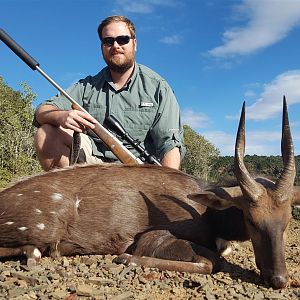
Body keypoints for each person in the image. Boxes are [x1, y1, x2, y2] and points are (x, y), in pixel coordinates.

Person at [33, 15, 185, 171]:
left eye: (123, 39)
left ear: (134, 43)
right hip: (92, 166)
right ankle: (70, 193)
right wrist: (61, 116)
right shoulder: (87, 86)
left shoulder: (159, 87)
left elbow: (170, 144)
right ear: (102, 47)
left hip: (141, 171)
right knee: (46, 132)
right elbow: (42, 111)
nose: (116, 46)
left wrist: (164, 188)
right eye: (108, 41)